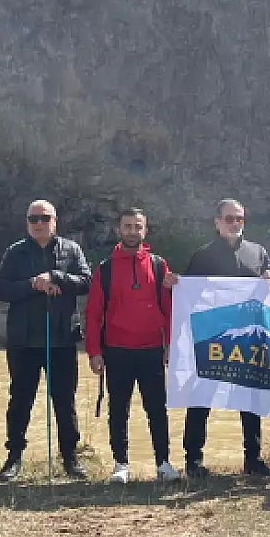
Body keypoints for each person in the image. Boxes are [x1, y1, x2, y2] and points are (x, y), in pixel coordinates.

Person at [182, 199, 270, 477]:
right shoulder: (203, 255)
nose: (234, 223)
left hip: (248, 337)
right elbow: (189, 296)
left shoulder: (258, 252)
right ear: (217, 222)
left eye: (239, 218)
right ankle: (193, 461)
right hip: (212, 338)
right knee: (201, 399)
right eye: (229, 218)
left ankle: (252, 459)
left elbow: (268, 289)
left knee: (250, 400)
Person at [0, 199, 92, 482]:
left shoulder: (71, 250)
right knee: (19, 401)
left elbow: (86, 282)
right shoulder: (15, 252)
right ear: (27, 222)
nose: (39, 223)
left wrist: (56, 277)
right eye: (33, 219)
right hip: (23, 342)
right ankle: (13, 457)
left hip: (61, 339)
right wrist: (32, 285)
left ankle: (70, 457)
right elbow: (2, 290)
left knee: (64, 400)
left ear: (55, 221)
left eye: (44, 218)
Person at [85, 207, 179, 484]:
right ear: (119, 230)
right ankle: (121, 464)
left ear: (145, 231)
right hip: (117, 350)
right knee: (118, 409)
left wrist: (170, 345)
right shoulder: (105, 269)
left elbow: (169, 308)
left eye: (137, 226)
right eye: (127, 226)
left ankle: (163, 463)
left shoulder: (159, 265)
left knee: (157, 409)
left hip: (151, 349)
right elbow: (93, 314)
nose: (132, 231)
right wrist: (94, 351)